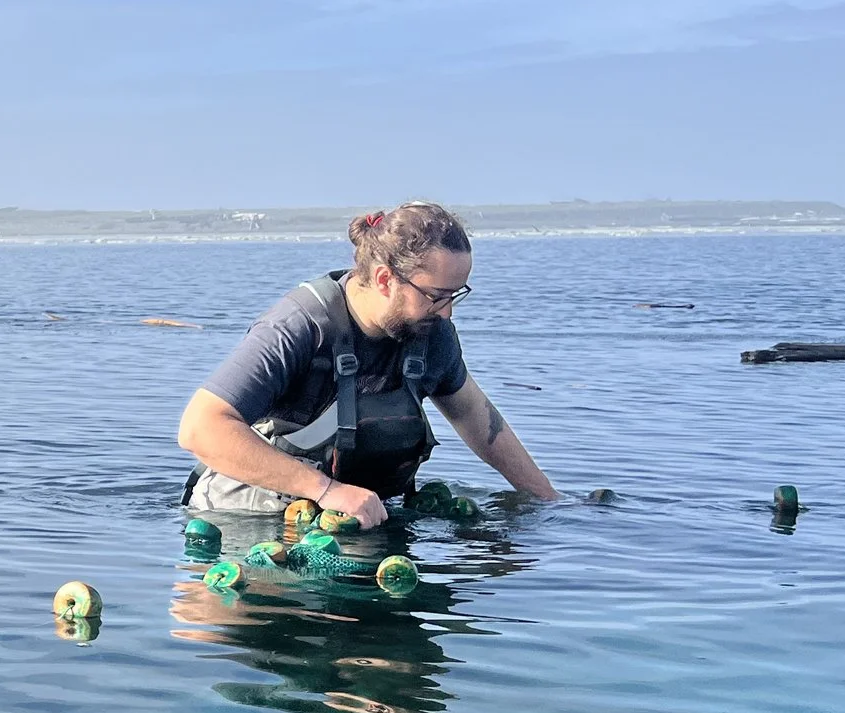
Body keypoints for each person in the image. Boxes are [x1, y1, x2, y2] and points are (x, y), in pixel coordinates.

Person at [176, 202, 559, 525]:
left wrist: (547, 499)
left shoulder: (431, 334)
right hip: (244, 523)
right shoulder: (298, 327)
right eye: (436, 296)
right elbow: (200, 428)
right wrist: (326, 490)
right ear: (384, 279)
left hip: (358, 520)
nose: (446, 314)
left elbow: (477, 417)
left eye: (456, 295)